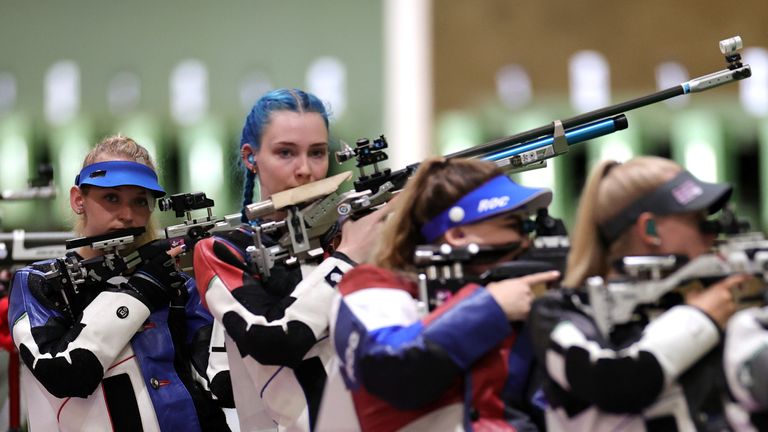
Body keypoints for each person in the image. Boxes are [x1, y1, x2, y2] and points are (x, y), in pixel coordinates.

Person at [194, 88, 385, 431]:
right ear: (251, 158)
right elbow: (273, 339)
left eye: (317, 153)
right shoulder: (224, 250)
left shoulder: (350, 229)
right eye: (285, 153)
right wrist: (348, 257)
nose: (305, 170)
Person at [9, 135, 230, 431]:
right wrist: (140, 291)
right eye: (111, 198)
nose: (127, 215)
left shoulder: (174, 281)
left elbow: (223, 384)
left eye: (140, 201)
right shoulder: (41, 282)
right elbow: (63, 373)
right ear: (78, 199)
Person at [330, 157, 560, 431]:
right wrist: (491, 308)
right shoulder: (369, 284)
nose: (526, 241)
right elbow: (389, 369)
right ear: (459, 234)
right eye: (517, 225)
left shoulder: (504, 294)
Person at [527, 156, 749, 431]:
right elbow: (616, 383)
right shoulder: (561, 311)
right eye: (699, 222)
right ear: (650, 229)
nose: (712, 237)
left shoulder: (688, 299)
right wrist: (700, 319)